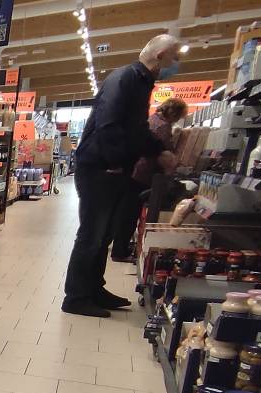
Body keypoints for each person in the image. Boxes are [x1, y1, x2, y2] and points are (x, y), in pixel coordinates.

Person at [62, 34, 181, 318]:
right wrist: (115, 161)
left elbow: (137, 130)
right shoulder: (125, 79)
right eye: (175, 57)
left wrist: (158, 150)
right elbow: (108, 124)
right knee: (92, 234)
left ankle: (94, 289)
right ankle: (76, 297)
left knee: (104, 235)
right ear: (161, 55)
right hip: (100, 168)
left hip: (112, 168)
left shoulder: (140, 83)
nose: (177, 64)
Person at [109, 97, 189, 262]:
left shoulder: (152, 120)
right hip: (142, 174)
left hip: (133, 171)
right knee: (130, 213)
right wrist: (172, 168)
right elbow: (163, 155)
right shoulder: (163, 127)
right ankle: (120, 251)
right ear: (174, 113)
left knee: (125, 211)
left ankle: (120, 247)